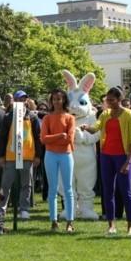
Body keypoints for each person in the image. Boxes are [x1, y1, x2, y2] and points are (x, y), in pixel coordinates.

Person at [82, 87, 131, 236]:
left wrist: (128, 161)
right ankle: (111, 224)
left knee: (126, 192)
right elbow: (96, 128)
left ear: (119, 100)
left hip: (122, 157)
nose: (109, 102)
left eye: (112, 100)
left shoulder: (129, 115)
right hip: (106, 156)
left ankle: (130, 226)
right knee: (108, 191)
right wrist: (86, 127)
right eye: (107, 100)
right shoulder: (105, 114)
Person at [0, 90, 43, 220]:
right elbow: (2, 138)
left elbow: (37, 137)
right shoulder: (8, 117)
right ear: (14, 101)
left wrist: (38, 155)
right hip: (11, 156)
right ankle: (1, 208)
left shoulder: (32, 117)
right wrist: (0, 156)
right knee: (6, 184)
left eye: (24, 99)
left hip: (28, 155)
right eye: (19, 99)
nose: (22, 101)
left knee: (26, 184)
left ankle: (24, 209)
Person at [40, 88, 76, 232]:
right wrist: (59, 136)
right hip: (50, 155)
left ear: (64, 100)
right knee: (52, 189)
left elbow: (69, 139)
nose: (56, 101)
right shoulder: (47, 118)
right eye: (54, 99)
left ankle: (70, 221)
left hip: (66, 155)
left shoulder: (70, 118)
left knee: (68, 189)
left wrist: (54, 139)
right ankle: (53, 220)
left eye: (59, 99)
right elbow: (43, 139)